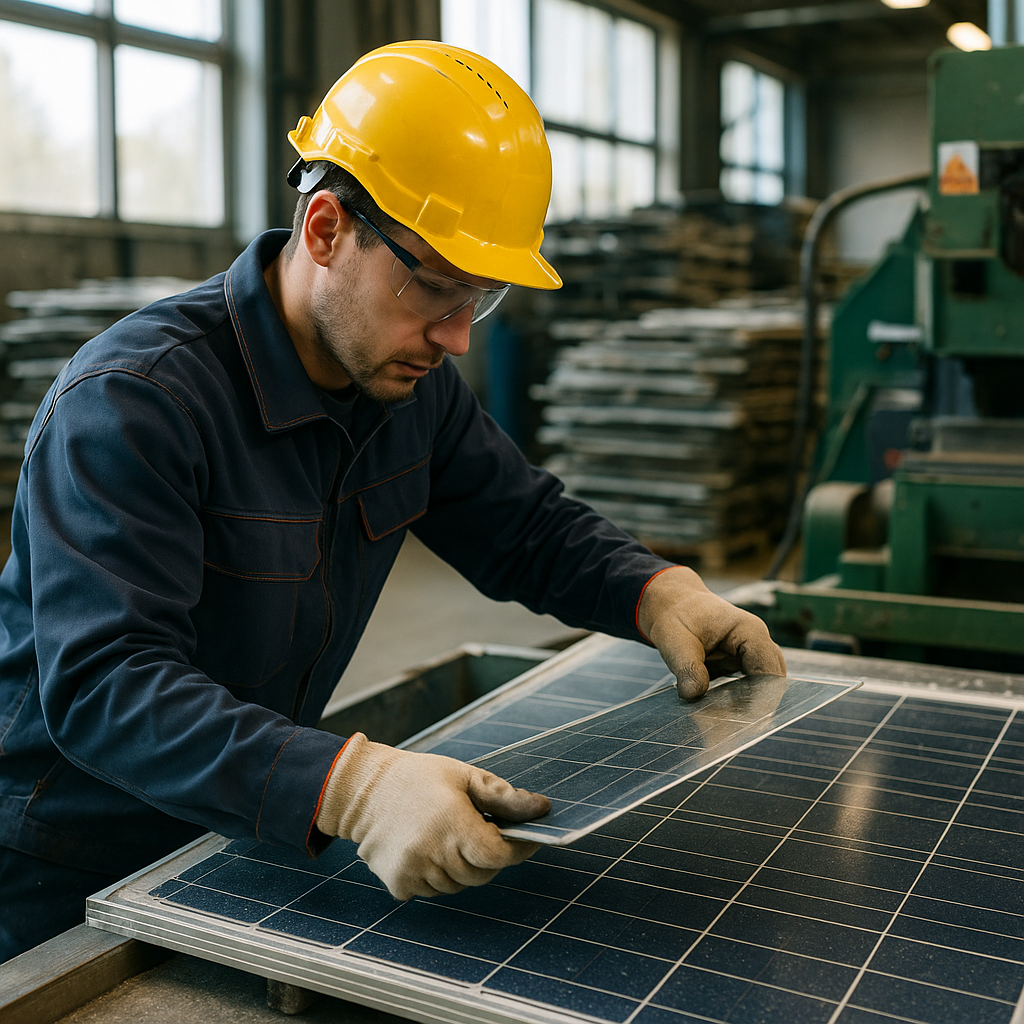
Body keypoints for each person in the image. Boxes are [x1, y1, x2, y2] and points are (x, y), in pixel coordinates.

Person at [0, 41, 785, 963]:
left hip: (237, 834)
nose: (456, 337)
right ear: (327, 229)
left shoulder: (402, 387)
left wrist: (655, 592)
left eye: (479, 299)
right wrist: (353, 787)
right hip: (62, 870)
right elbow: (106, 687)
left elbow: (522, 525)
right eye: (436, 288)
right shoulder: (138, 401)